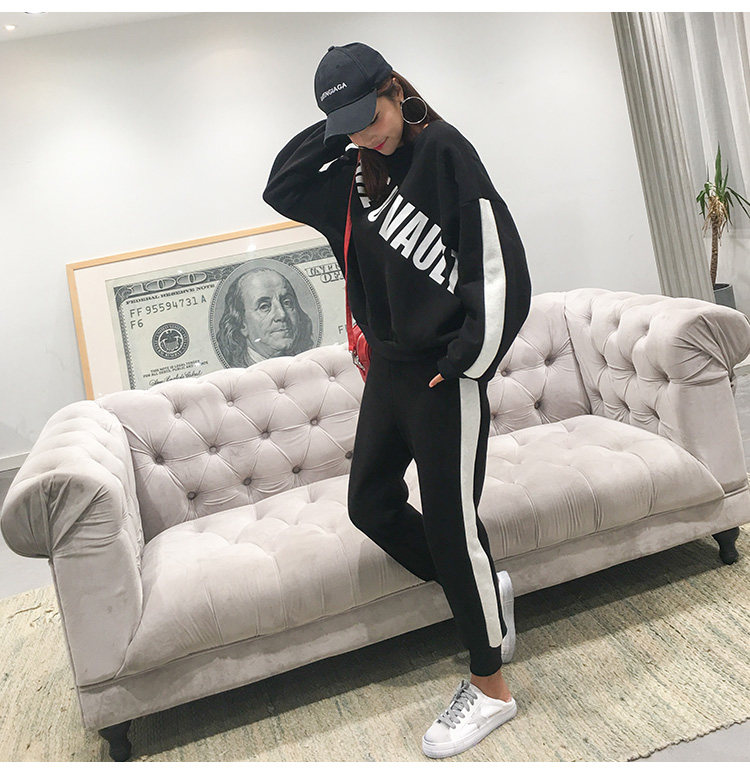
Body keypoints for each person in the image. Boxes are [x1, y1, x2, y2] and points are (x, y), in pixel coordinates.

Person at [262, 41, 532, 759]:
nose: (365, 135)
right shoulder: (355, 178)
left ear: (396, 89)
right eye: (348, 128)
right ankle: (483, 588)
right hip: (389, 370)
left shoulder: (443, 150)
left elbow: (500, 267)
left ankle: (491, 686)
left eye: (371, 116)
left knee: (450, 523)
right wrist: (339, 129)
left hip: (446, 373)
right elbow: (282, 186)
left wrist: (466, 362)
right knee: (369, 503)